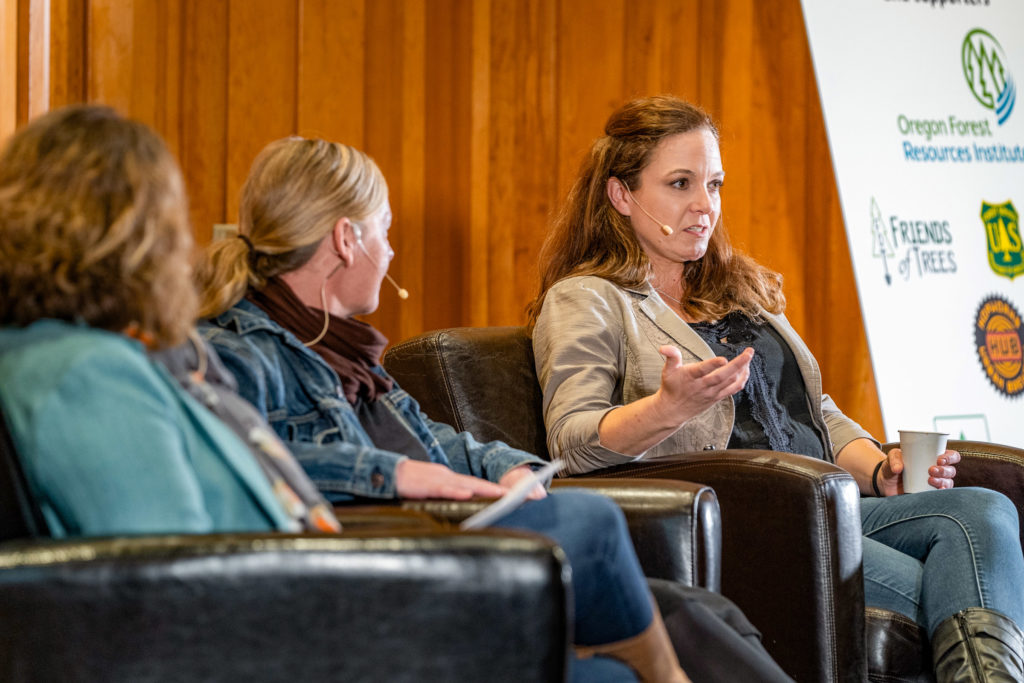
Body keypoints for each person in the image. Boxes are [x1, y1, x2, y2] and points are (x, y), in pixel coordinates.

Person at [0, 107, 653, 683]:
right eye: (172, 222)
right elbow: (174, 586)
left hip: (310, 581)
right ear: (134, 237)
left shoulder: (84, 356)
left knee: (654, 632)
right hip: (301, 608)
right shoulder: (86, 372)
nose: (184, 247)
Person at [527, 94, 1024, 681]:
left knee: (985, 512)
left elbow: (813, 411)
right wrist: (666, 409)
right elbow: (571, 441)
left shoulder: (738, 287)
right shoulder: (587, 298)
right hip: (756, 517)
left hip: (836, 502)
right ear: (622, 195)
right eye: (681, 184)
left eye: (713, 185)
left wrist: (879, 469)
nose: (704, 206)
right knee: (964, 584)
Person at [196, 136, 703, 682]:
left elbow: (435, 440)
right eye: (383, 232)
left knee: (627, 663)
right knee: (594, 521)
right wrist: (397, 475)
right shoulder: (235, 351)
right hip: (358, 581)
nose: (389, 253)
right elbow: (234, 466)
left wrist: (504, 465)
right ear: (347, 239)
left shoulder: (345, 353)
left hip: (422, 547)